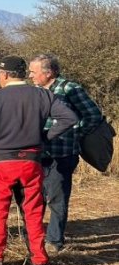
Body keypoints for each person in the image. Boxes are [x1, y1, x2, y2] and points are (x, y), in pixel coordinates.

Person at [0, 56, 78, 265]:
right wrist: (44, 137)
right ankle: (39, 258)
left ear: (4, 75)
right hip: (32, 161)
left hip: (1, 162)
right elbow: (69, 118)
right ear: (23, 74)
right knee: (33, 209)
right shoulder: (43, 94)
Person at [27, 53, 104, 254]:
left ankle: (54, 240)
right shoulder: (35, 91)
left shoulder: (70, 88)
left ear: (49, 72)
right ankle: (35, 239)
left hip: (62, 153)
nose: (30, 76)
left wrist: (76, 133)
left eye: (33, 72)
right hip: (38, 153)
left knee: (57, 197)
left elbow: (93, 115)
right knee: (37, 197)